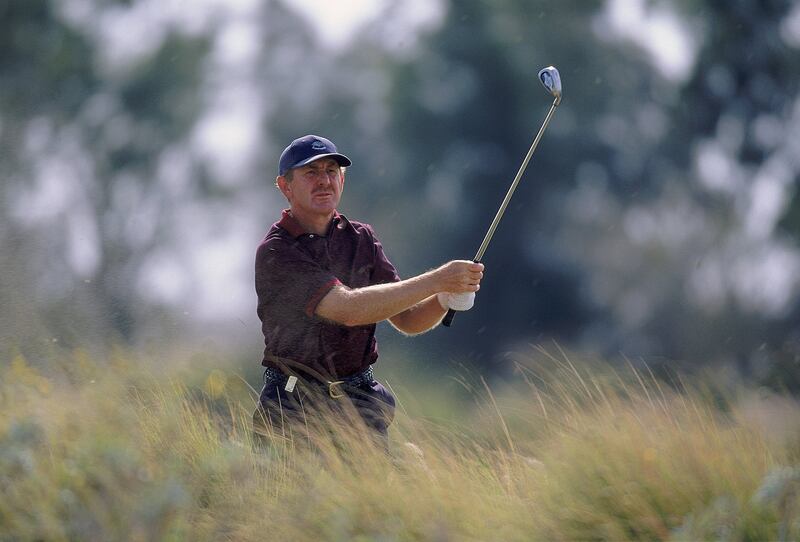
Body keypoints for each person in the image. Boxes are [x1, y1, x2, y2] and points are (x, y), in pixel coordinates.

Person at [252, 134, 484, 451]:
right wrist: (438, 280)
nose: (324, 181)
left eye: (331, 171)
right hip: (294, 407)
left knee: (379, 495)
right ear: (285, 186)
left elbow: (409, 319)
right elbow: (347, 309)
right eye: (311, 173)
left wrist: (445, 297)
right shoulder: (278, 251)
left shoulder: (360, 238)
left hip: (360, 404)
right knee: (298, 499)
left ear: (342, 179)